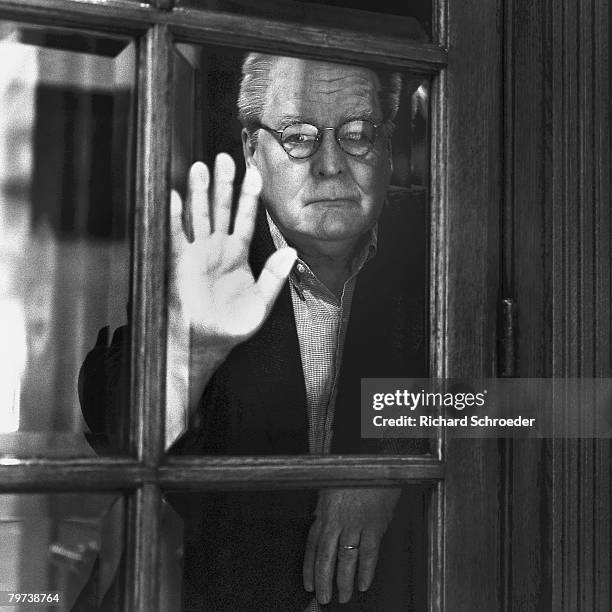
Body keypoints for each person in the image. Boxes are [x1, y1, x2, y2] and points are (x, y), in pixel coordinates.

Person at [80, 52, 428, 610]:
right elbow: (110, 420)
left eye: (359, 133)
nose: (331, 164)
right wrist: (193, 353)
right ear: (251, 148)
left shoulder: (442, 237)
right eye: (297, 136)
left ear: (390, 147)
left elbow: (546, 403)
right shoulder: (207, 250)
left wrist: (392, 455)